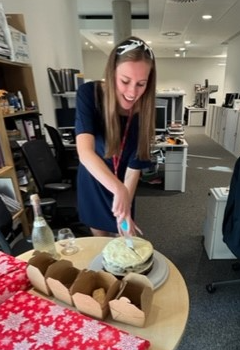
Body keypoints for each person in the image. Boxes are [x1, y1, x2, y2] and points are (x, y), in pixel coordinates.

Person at [75, 36, 157, 237]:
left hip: (125, 182)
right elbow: (85, 152)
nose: (132, 92)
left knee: (125, 239)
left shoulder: (144, 111)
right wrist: (118, 189)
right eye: (125, 81)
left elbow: (133, 169)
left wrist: (125, 202)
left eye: (141, 83)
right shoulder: (89, 94)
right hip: (96, 177)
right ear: (111, 73)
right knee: (101, 243)